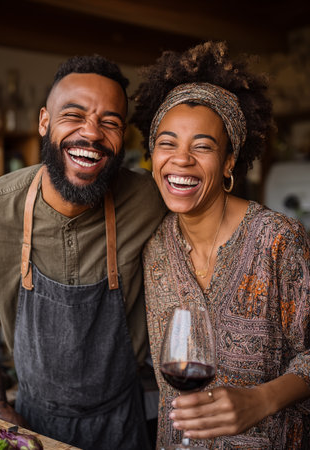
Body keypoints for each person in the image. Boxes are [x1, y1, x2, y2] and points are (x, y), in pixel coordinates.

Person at [0, 54, 167, 450]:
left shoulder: (150, 200)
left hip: (124, 419)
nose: (92, 133)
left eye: (110, 122)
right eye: (74, 114)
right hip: (31, 421)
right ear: (44, 122)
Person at [131, 41, 310, 449]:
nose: (181, 159)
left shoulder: (278, 240)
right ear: (152, 155)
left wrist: (261, 399)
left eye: (203, 146)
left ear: (230, 161)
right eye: (167, 142)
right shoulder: (154, 247)